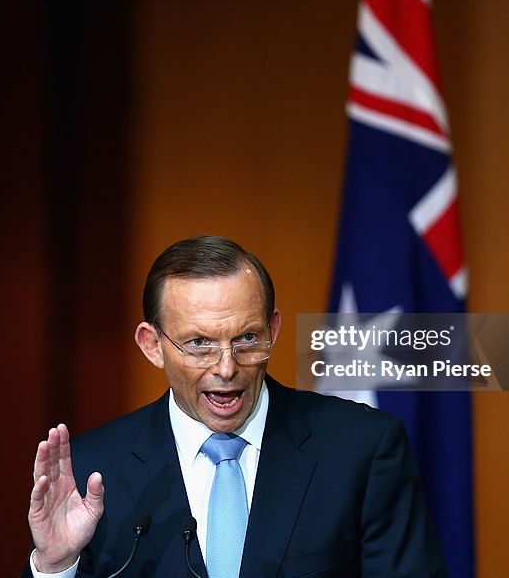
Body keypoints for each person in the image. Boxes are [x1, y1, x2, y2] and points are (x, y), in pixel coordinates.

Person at [26, 235, 446, 577]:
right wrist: (56, 566)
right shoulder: (94, 466)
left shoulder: (362, 450)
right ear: (152, 345)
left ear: (274, 329)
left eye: (247, 338)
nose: (227, 368)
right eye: (199, 344)